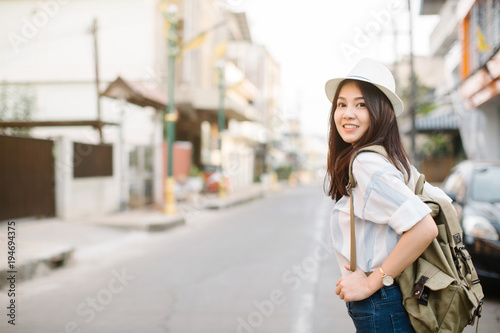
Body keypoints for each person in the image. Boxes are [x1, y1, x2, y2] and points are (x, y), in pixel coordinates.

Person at [323, 58, 451, 332]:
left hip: (381, 302)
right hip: (390, 300)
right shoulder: (388, 158)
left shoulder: (366, 163)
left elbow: (423, 227)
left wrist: (371, 282)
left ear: (384, 113)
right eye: (342, 104)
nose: (347, 113)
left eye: (361, 104)